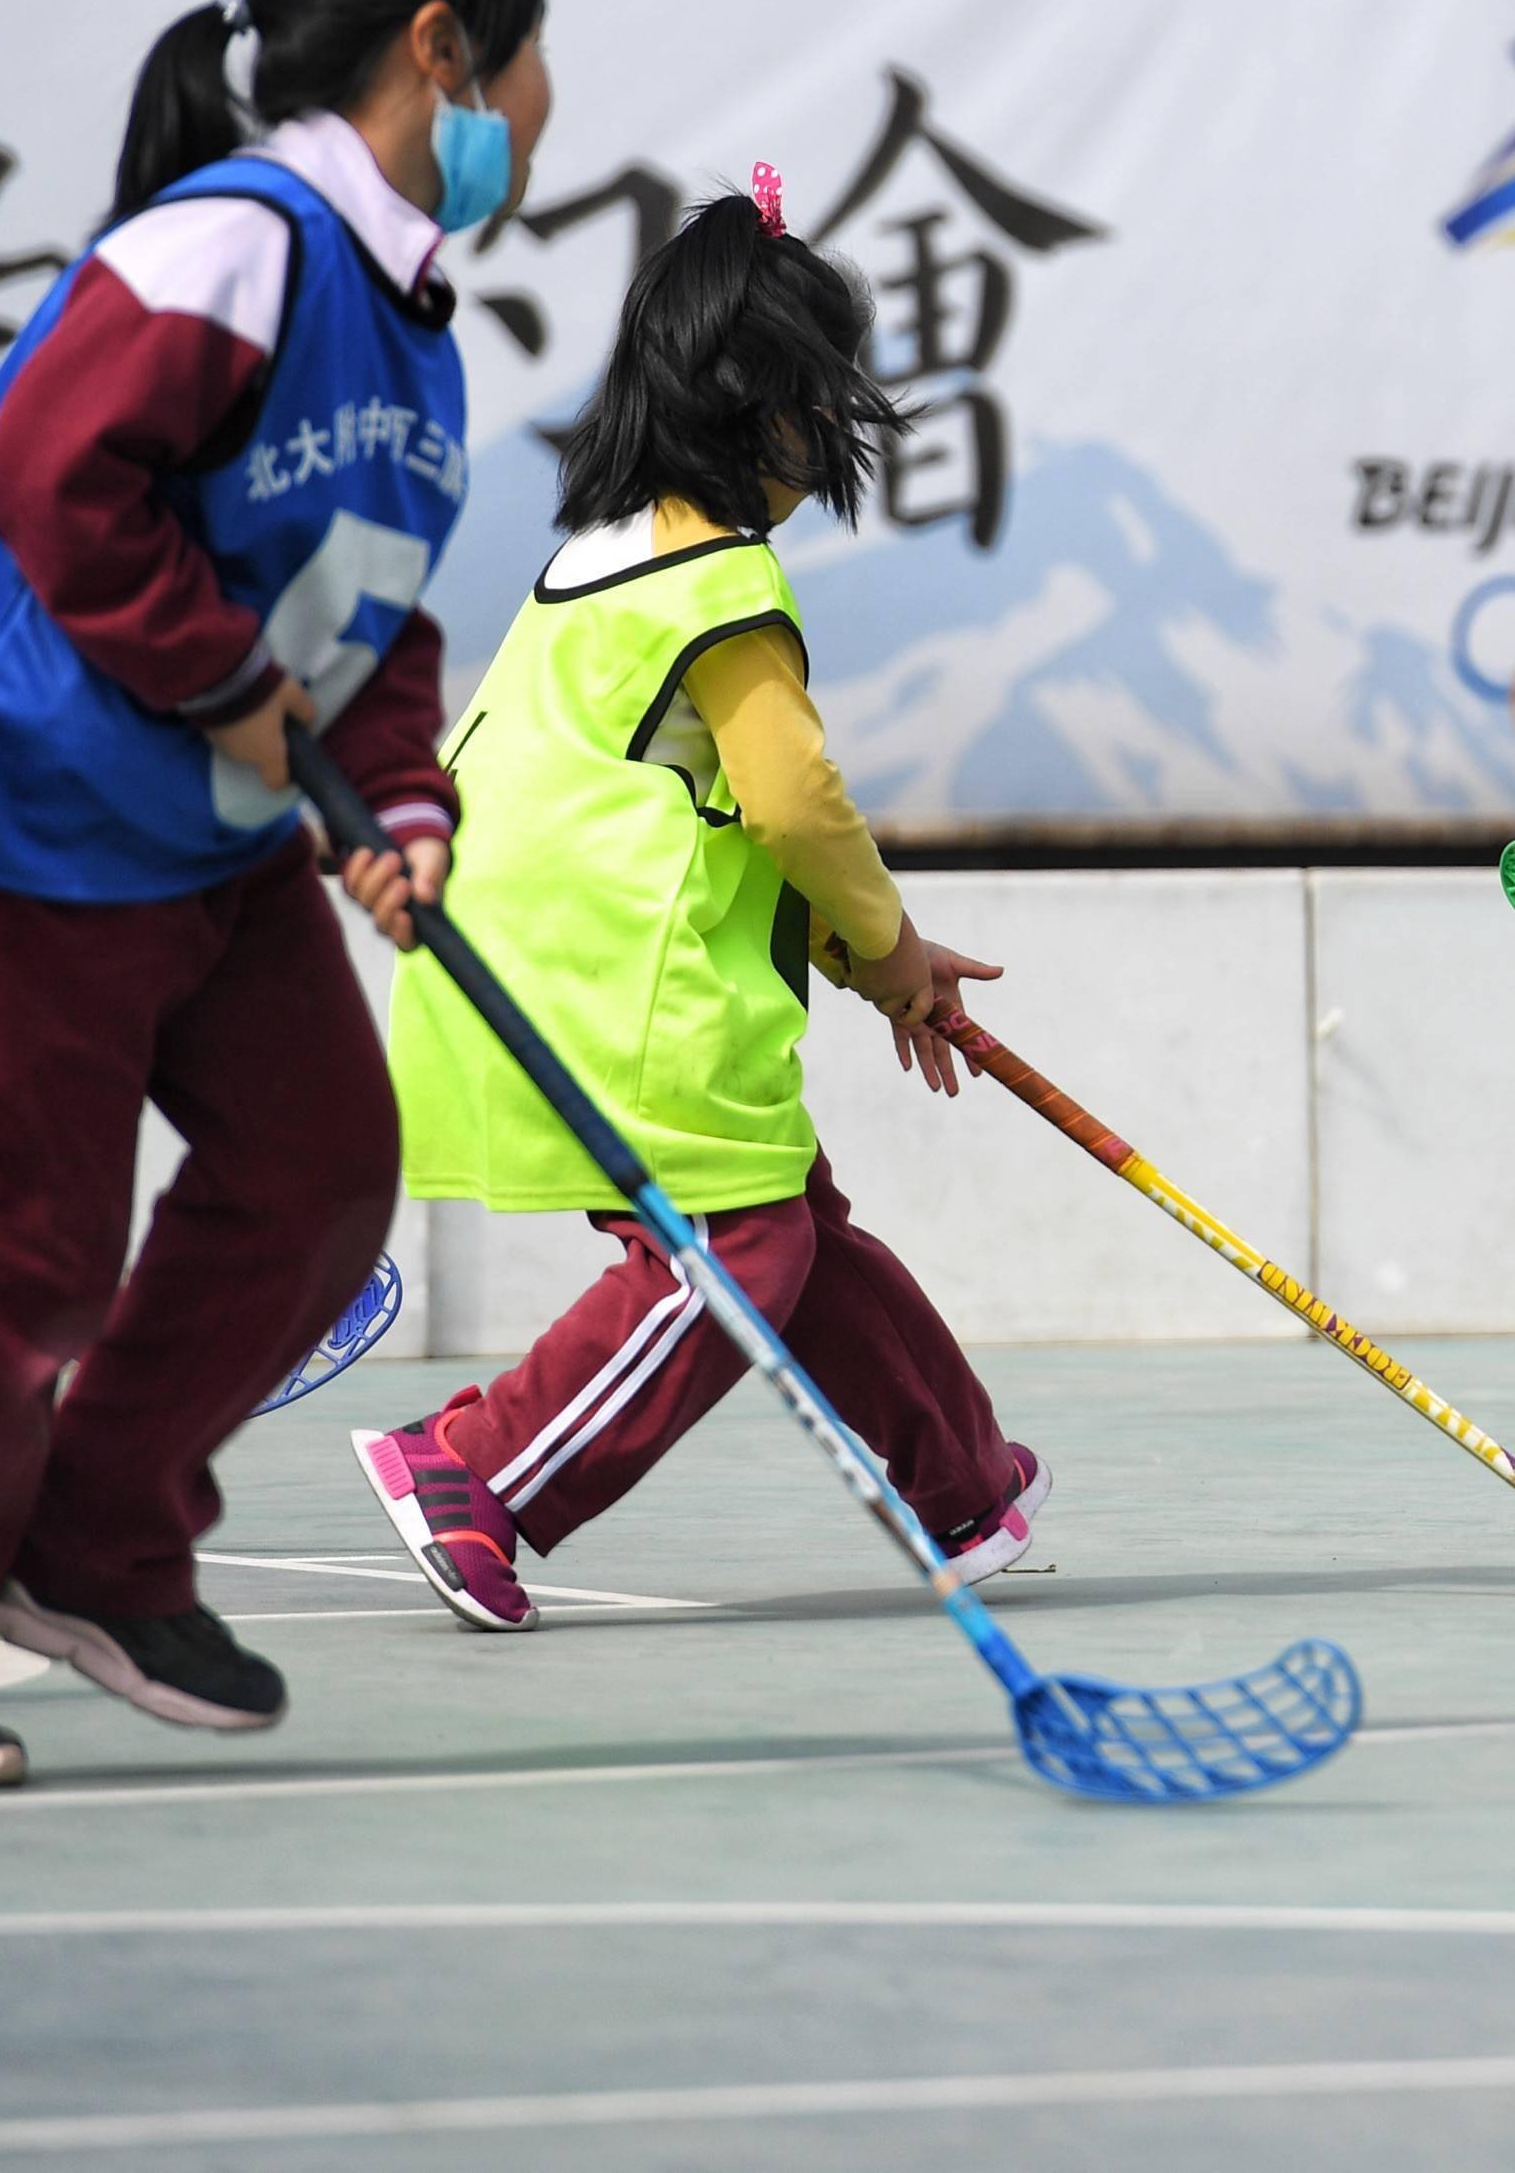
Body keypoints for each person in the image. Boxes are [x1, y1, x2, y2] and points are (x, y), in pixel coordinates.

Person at [0, 0, 543, 1788]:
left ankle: (94, 1540)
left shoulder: (418, 333)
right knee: (22, 1238)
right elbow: (64, 483)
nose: (544, 116)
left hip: (205, 830)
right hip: (18, 800)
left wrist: (398, 803)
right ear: (437, 51)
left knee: (317, 1168)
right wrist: (227, 685)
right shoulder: (236, 244)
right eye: (531, 64)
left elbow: (369, 617)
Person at [352, 173, 1042, 1632]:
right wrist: (892, 942)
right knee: (742, 1252)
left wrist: (877, 968)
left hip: (522, 961)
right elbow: (795, 802)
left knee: (794, 1228)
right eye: (826, 404)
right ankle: (477, 1468)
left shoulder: (601, 562)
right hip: (614, 984)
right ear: (770, 412)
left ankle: (962, 1485)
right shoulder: (722, 584)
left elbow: (712, 808)